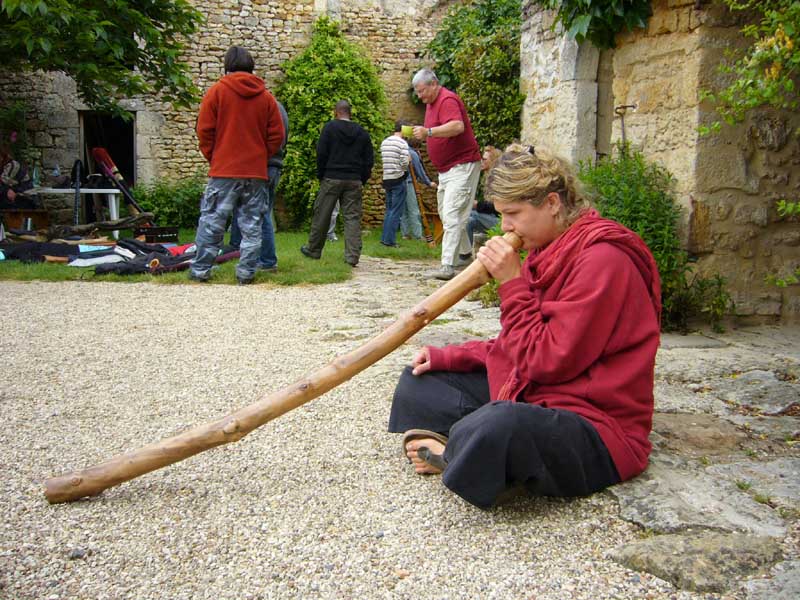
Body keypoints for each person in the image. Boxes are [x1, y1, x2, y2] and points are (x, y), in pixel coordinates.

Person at [388, 144, 662, 509]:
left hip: (594, 425)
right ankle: (467, 448)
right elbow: (516, 344)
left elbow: (545, 360)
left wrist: (512, 283)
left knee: (499, 424)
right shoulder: (549, 249)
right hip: (536, 392)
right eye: (502, 215)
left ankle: (457, 449)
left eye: (513, 214)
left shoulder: (603, 260)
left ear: (551, 203)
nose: (505, 228)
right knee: (420, 380)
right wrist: (449, 357)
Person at [191, 46, 285, 284]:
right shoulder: (266, 98)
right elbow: (277, 135)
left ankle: (201, 270)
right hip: (255, 172)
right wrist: (260, 156)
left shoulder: (217, 92)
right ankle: (246, 273)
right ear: (251, 66)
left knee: (212, 221)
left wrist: (215, 156)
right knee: (251, 225)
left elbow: (204, 130)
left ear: (227, 66)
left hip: (223, 170)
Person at [412, 68, 482, 280]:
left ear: (433, 84)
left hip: (462, 165)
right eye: (417, 92)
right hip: (447, 169)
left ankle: (447, 266)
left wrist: (429, 132)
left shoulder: (447, 100)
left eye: (422, 91)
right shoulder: (431, 104)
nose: (419, 95)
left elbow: (457, 126)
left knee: (452, 213)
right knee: (447, 213)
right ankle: (465, 253)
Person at [300, 100, 374, 267]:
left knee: (322, 214)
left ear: (336, 112)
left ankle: (313, 249)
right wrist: (362, 178)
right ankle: (352, 257)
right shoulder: (362, 132)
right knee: (352, 218)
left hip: (332, 177)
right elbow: (369, 159)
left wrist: (322, 175)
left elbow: (321, 153)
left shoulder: (329, 128)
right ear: (350, 113)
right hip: (354, 179)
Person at [229, 99, 289, 273]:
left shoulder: (261, 107)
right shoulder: (279, 108)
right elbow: (282, 137)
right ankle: (248, 254)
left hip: (262, 165)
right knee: (262, 212)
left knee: (260, 214)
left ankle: (267, 260)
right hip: (274, 164)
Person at [379, 120, 410, 248]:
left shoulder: (385, 142)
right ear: (403, 129)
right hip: (398, 178)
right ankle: (389, 240)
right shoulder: (402, 143)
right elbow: (404, 162)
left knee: (389, 210)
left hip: (387, 178)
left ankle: (384, 238)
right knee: (396, 211)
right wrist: (407, 161)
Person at [401, 138, 436, 240]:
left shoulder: (402, 151)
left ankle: (405, 234)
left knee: (404, 211)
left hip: (399, 183)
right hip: (410, 183)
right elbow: (419, 171)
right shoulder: (413, 153)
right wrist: (429, 183)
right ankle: (417, 235)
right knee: (414, 210)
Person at [466, 146, 500, 247]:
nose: (481, 161)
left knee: (466, 214)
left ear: (493, 161)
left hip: (500, 221)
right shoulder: (487, 177)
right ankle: (465, 254)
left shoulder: (498, 179)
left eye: (484, 159)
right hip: (490, 218)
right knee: (468, 220)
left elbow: (497, 207)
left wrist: (477, 205)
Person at [0, 143, 34, 209]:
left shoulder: (12, 165)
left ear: (2, 156)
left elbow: (3, 183)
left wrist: (7, 190)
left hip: (24, 197)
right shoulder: (2, 166)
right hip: (12, 195)